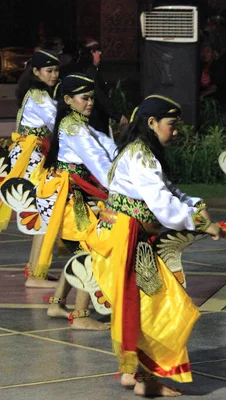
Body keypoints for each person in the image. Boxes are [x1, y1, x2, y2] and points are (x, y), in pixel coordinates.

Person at [88, 95, 224, 396]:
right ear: (152, 123)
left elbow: (168, 191)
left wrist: (195, 204)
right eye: (171, 125)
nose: (175, 132)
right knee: (162, 307)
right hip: (128, 241)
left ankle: (131, 372)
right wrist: (201, 223)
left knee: (141, 307)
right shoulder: (141, 157)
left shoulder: (140, 152)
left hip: (123, 238)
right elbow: (163, 207)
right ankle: (146, 382)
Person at [37, 73, 117, 330]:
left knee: (78, 250)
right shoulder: (73, 126)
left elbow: (105, 145)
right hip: (70, 199)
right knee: (90, 250)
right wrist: (120, 186)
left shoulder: (77, 123)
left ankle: (57, 304)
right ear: (69, 100)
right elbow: (98, 160)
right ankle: (81, 315)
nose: (90, 102)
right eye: (85, 98)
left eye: (92, 97)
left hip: (69, 196)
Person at [0, 49, 59, 288]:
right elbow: (58, 122)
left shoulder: (37, 93)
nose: (54, 75)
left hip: (32, 157)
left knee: (44, 211)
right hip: (31, 160)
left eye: (56, 70)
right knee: (46, 212)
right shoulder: (38, 96)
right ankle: (36, 275)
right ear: (36, 72)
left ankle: (36, 270)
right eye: (49, 70)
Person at [75, 39, 128, 134]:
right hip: (94, 121)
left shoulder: (91, 70)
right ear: (91, 53)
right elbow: (100, 97)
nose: (100, 53)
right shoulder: (90, 73)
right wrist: (116, 116)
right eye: (96, 51)